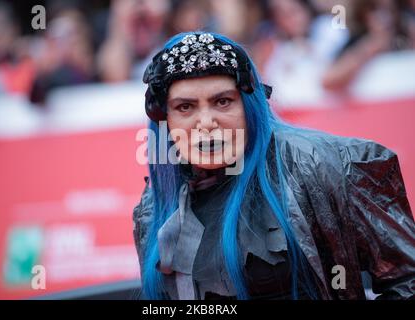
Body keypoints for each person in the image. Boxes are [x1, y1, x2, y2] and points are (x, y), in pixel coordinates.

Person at [133, 31, 415, 300]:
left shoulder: (328, 167)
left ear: (249, 105)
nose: (206, 123)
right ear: (164, 120)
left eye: (222, 101)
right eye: (185, 107)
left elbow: (408, 281)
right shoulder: (152, 210)